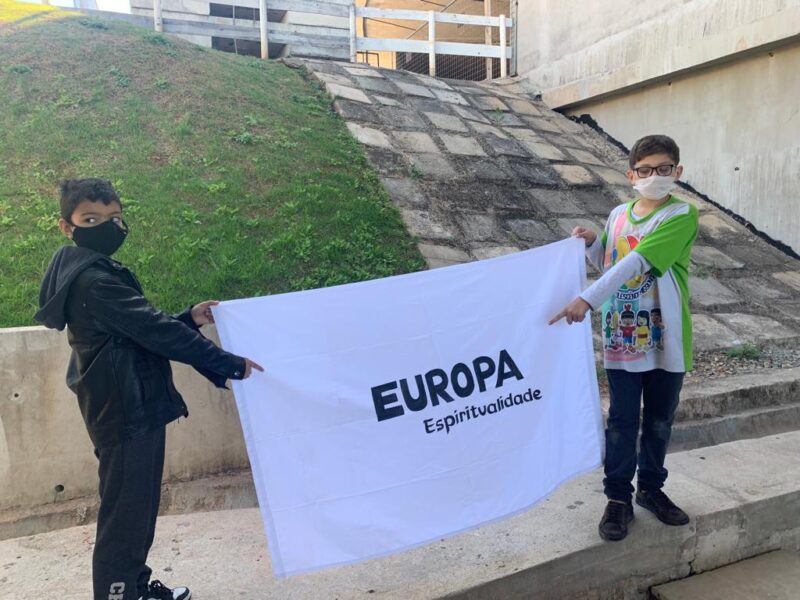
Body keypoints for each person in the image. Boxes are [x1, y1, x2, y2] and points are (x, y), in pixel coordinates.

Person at [35, 178, 264, 600]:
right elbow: (155, 331)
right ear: (67, 227)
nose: (108, 227)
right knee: (126, 514)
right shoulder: (94, 282)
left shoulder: (92, 274)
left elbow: (137, 333)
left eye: (115, 218)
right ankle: (119, 593)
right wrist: (228, 364)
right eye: (91, 219)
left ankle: (134, 587)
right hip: (124, 408)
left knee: (136, 508)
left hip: (128, 402)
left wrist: (189, 319)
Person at [549, 135, 698, 542]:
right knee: (621, 422)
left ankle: (651, 489)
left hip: (665, 338)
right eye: (645, 170)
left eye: (663, 169)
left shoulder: (682, 214)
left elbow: (637, 262)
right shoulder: (618, 214)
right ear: (631, 176)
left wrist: (587, 299)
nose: (654, 176)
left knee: (659, 420)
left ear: (677, 172)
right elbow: (612, 263)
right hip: (622, 338)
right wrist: (593, 244)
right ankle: (618, 498)